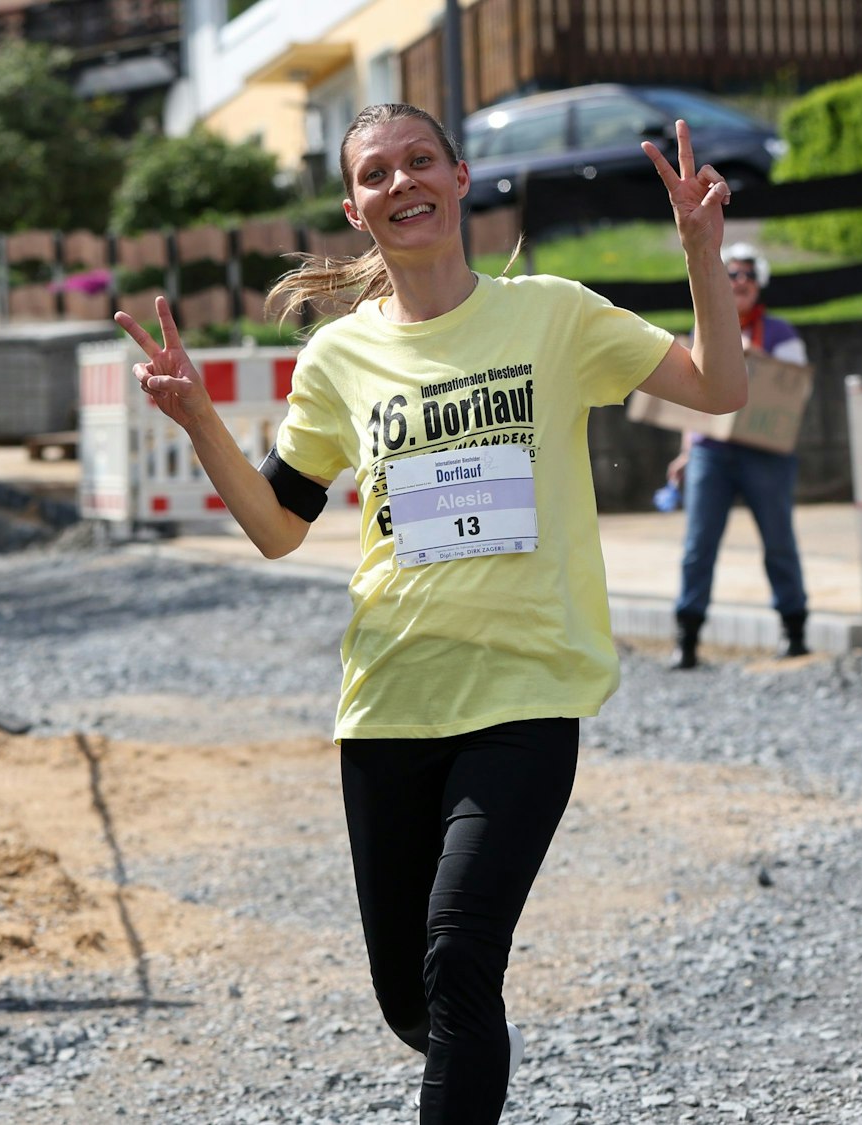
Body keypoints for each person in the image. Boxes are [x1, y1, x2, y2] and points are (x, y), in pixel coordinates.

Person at [112, 105, 746, 1123]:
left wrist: (699, 253)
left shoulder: (552, 316)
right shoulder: (336, 360)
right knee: (413, 998)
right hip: (391, 699)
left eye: (419, 162)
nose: (400, 182)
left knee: (457, 954)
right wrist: (197, 418)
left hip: (526, 692)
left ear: (459, 178)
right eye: (376, 173)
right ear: (353, 209)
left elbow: (717, 387)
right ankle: (466, 1043)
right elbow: (277, 527)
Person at [666, 241, 810, 669]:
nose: (740, 282)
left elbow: (795, 387)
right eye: (731, 274)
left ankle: (794, 630)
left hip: (765, 453)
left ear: (759, 282)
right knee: (698, 546)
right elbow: (690, 396)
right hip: (711, 452)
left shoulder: (781, 333)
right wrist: (686, 451)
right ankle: (687, 638)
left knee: (779, 542)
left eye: (748, 274)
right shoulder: (704, 330)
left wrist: (755, 357)